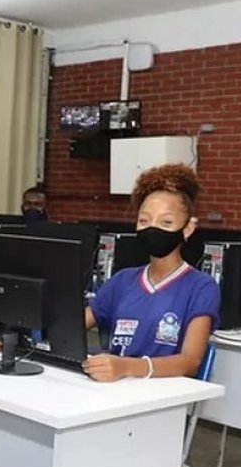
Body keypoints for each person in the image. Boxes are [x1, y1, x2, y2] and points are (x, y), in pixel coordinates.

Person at [84, 164, 219, 382]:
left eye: (166, 222)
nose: (152, 228)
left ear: (187, 228)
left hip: (162, 399)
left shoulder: (201, 287)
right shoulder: (122, 280)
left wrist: (127, 366)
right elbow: (73, 325)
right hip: (113, 390)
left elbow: (190, 362)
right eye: (144, 221)